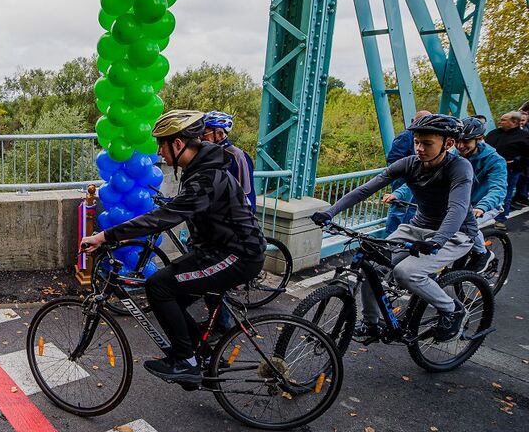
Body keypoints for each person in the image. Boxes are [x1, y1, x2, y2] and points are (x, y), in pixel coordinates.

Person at [80, 110, 267, 385]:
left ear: (178, 144)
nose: (159, 152)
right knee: (169, 297)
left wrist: (107, 236)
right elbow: (179, 210)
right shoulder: (201, 169)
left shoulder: (206, 177)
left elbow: (167, 217)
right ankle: (197, 354)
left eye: (162, 144)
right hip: (217, 250)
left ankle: (186, 361)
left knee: (158, 286)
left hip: (238, 255)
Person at [312, 114, 476, 342]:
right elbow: (365, 190)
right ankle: (371, 323)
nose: (419, 148)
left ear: (448, 144)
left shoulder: (459, 167)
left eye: (427, 143)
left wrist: (437, 240)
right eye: (417, 142)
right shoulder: (409, 164)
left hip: (455, 233)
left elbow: (457, 208)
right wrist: (330, 212)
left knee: (406, 272)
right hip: (417, 227)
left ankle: (452, 310)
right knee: (371, 263)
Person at [388, 116, 506, 272]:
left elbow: (498, 188)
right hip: (456, 203)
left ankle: (482, 254)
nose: (461, 146)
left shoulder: (494, 161)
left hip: (482, 205)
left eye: (466, 142)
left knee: (466, 225)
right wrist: (398, 193)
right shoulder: (449, 155)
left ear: (480, 139)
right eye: (458, 141)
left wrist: (483, 206)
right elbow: (422, 178)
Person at [384, 110, 432, 234]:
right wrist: (410, 168)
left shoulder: (420, 136)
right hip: (403, 177)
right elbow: (393, 158)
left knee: (412, 206)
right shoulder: (406, 136)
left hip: (416, 178)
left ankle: (405, 233)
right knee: (399, 206)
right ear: (414, 121)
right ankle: (391, 235)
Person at [201, 111, 255, 210]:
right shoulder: (208, 153)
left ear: (219, 133)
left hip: (233, 218)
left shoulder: (238, 156)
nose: (201, 137)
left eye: (204, 133)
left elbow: (246, 193)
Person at [484, 110, 529, 228]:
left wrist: (515, 162)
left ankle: (500, 220)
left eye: (504, 120)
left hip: (509, 171)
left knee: (504, 194)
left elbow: (527, 157)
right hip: (487, 168)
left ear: (514, 122)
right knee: (483, 191)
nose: (500, 121)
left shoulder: (524, 136)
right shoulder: (493, 133)